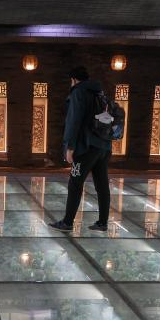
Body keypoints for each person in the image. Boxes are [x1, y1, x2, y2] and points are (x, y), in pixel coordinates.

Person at [50, 66, 112, 233]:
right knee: (102, 185)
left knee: (75, 184)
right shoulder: (100, 93)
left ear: (74, 79)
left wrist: (69, 147)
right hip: (104, 146)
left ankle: (67, 223)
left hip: (86, 147)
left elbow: (73, 121)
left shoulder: (78, 92)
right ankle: (102, 223)